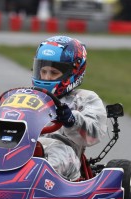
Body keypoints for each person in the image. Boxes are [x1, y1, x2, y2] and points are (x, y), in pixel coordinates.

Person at [32, 35, 107, 181]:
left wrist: (72, 120)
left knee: (54, 158)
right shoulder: (27, 97)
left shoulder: (86, 98)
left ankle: (35, 180)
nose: (46, 78)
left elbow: (94, 133)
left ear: (72, 73)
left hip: (63, 150)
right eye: (43, 71)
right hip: (26, 146)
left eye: (53, 73)